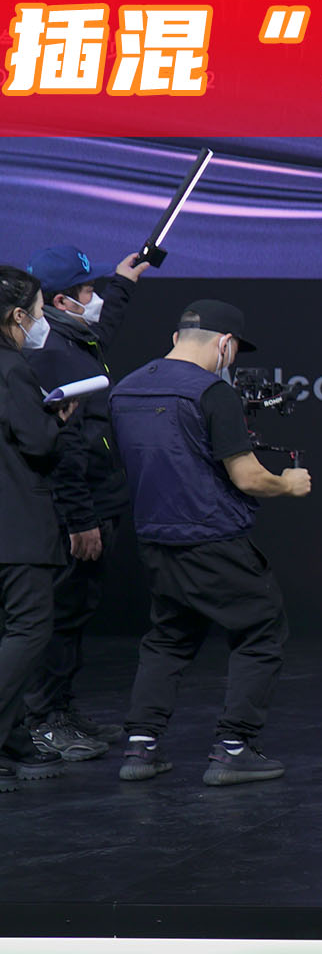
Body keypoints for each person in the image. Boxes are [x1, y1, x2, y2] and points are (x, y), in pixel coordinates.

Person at [110, 300, 314, 785]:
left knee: (169, 637)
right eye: (235, 349)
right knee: (261, 630)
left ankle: (140, 745)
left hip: (156, 537)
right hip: (212, 537)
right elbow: (247, 477)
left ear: (177, 337)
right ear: (225, 343)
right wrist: (288, 483)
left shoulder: (125, 389)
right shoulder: (211, 393)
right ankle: (234, 747)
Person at [20, 244, 152, 762]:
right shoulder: (51, 354)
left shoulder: (75, 340)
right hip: (79, 511)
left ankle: (61, 708)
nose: (94, 298)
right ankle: (42, 722)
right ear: (61, 301)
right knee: (60, 617)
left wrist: (122, 285)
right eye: (88, 290)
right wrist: (81, 520)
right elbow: (65, 450)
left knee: (75, 615)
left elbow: (104, 328)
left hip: (99, 501)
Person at [0, 266, 76, 790]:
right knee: (29, 630)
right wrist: (59, 420)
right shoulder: (13, 370)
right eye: (39, 311)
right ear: (17, 316)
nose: (41, 321)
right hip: (17, 526)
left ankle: (11, 738)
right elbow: (39, 443)